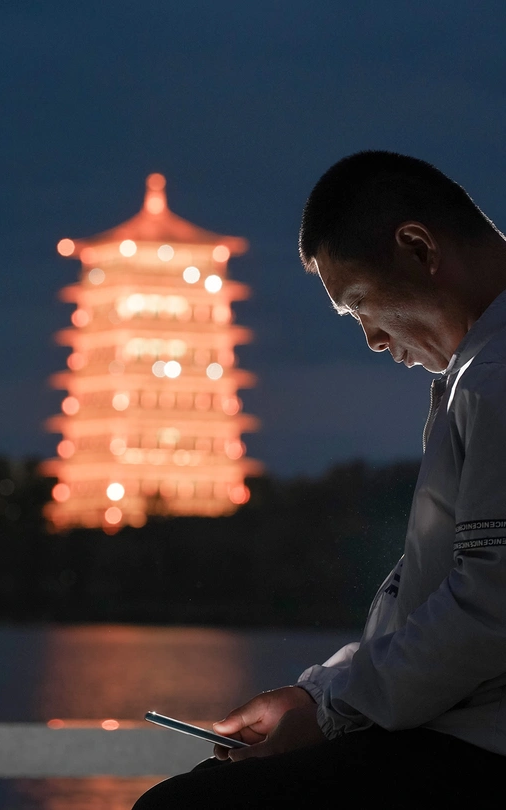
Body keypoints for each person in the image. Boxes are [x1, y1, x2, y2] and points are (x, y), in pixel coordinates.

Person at [132, 151, 506, 808]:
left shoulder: (495, 378)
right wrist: (318, 694)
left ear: (419, 248)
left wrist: (332, 713)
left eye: (360, 304)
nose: (373, 339)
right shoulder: (476, 374)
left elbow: (489, 607)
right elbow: (449, 596)